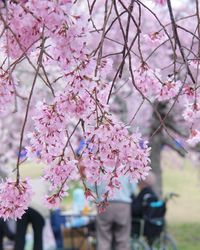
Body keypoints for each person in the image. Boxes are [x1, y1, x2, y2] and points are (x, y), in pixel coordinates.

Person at [96, 176, 136, 250]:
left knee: (103, 239)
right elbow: (133, 187)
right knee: (122, 239)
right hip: (123, 204)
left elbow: (91, 185)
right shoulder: (126, 166)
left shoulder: (99, 165)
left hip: (104, 203)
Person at [14, 178, 49, 250]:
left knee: (20, 236)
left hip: (22, 207)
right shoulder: (44, 180)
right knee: (38, 238)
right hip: (39, 210)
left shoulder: (21, 178)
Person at [131, 172, 165, 245]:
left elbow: (136, 210)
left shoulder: (144, 194)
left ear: (142, 183)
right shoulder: (152, 194)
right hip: (154, 223)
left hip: (142, 224)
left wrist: (132, 199)